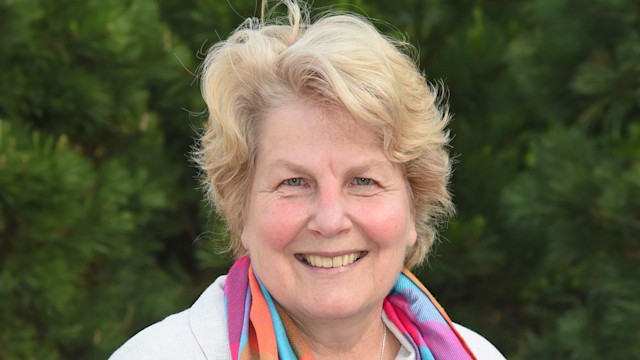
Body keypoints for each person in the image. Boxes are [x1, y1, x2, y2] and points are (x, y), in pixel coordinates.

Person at [110, 0, 505, 359]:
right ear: (241, 210)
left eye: (363, 181)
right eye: (294, 182)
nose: (331, 220)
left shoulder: (475, 354)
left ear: (412, 206)